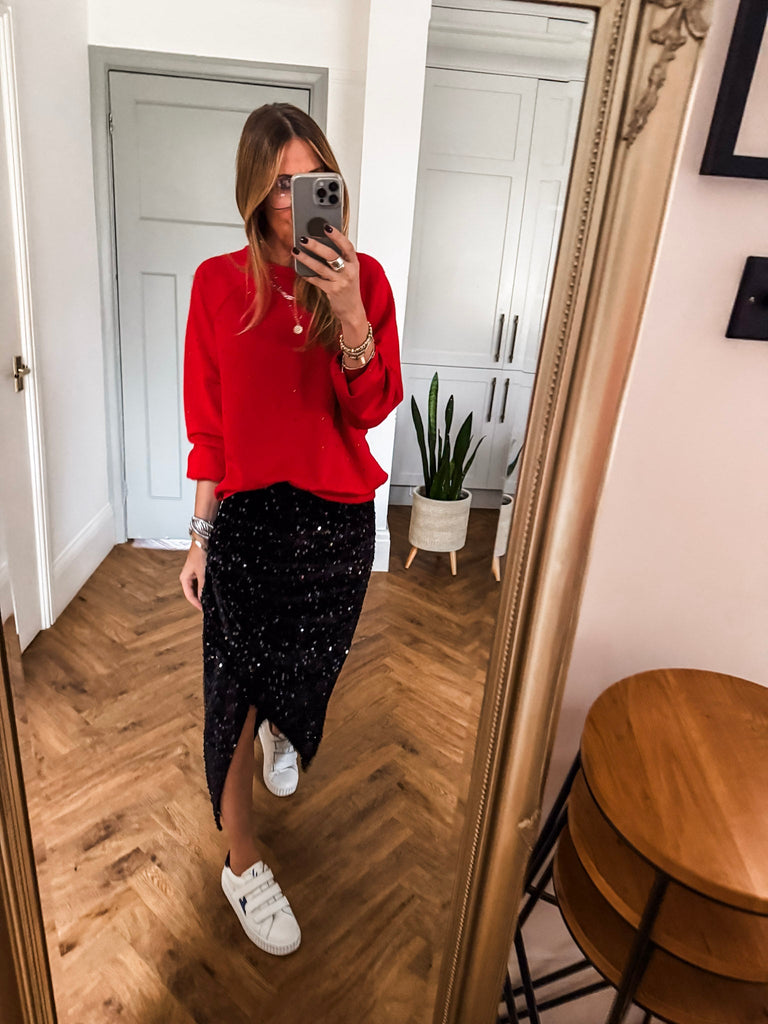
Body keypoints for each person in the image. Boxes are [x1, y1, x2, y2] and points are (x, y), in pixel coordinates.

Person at [179, 103, 402, 956]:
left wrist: (350, 310)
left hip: (337, 524)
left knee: (305, 675)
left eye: (311, 180)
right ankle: (241, 864)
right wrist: (199, 537)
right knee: (230, 701)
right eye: (278, 183)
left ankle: (285, 724)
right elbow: (210, 428)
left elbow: (371, 407)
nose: (293, 200)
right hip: (247, 525)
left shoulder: (363, 278)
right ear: (252, 189)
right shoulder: (215, 284)